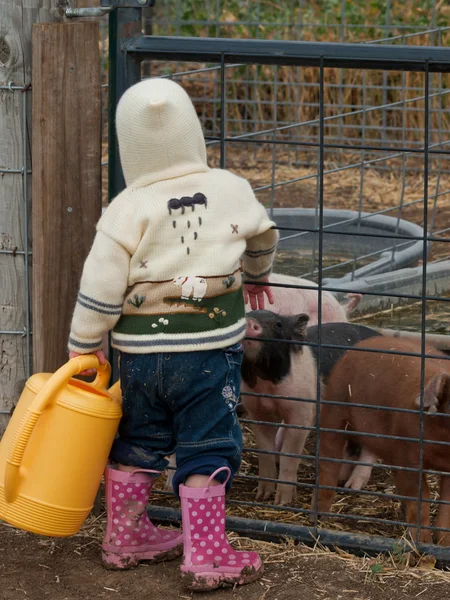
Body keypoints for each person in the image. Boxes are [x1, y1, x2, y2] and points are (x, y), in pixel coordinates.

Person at [68, 77, 278, 591]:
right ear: (192, 133)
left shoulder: (126, 206)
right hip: (208, 355)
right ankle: (207, 556)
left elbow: (99, 281)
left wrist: (84, 343)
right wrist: (256, 274)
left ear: (127, 146)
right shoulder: (230, 188)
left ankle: (125, 538)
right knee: (207, 444)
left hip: (138, 357)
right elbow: (264, 234)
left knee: (137, 440)